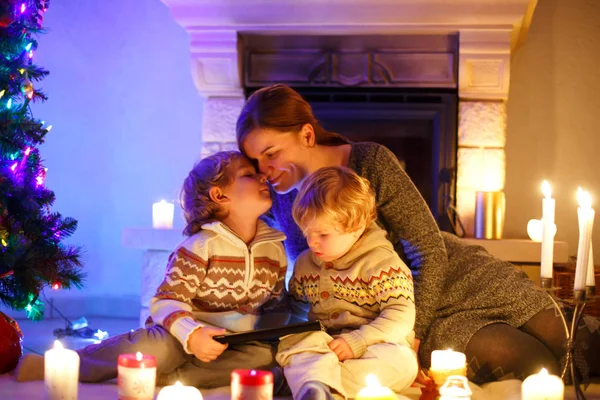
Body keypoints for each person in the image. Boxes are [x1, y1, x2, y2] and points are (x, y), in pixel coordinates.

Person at [236, 84, 600, 384]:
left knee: (576, 340)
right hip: (392, 317)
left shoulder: (370, 162)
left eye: (270, 153)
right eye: (255, 162)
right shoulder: (278, 202)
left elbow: (427, 249)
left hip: (446, 281)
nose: (264, 170)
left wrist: (415, 331)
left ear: (307, 134)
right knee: (535, 364)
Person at [16, 151, 290, 388]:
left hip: (232, 344)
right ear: (220, 195)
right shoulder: (201, 246)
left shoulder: (275, 249)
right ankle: (66, 364)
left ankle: (161, 378)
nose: (263, 177)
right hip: (178, 336)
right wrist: (191, 334)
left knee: (263, 358)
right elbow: (166, 301)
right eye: (249, 175)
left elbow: (277, 306)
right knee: (155, 350)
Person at [276, 166, 418, 400]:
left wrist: (358, 341)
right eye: (306, 233)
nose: (312, 243)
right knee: (297, 347)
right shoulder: (304, 264)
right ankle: (315, 385)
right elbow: (297, 310)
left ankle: (317, 385)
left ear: (356, 228)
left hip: (373, 345)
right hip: (324, 345)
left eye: (323, 235)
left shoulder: (382, 264)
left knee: (403, 364)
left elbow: (401, 315)